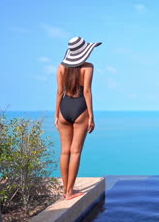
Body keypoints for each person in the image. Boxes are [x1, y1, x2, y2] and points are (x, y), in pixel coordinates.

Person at [55, 36, 102, 200]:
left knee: (64, 152)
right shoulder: (88, 67)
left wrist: (56, 115)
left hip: (64, 108)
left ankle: (65, 190)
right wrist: (91, 116)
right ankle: (69, 192)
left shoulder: (61, 67)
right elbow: (87, 91)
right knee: (75, 152)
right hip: (80, 107)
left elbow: (59, 92)